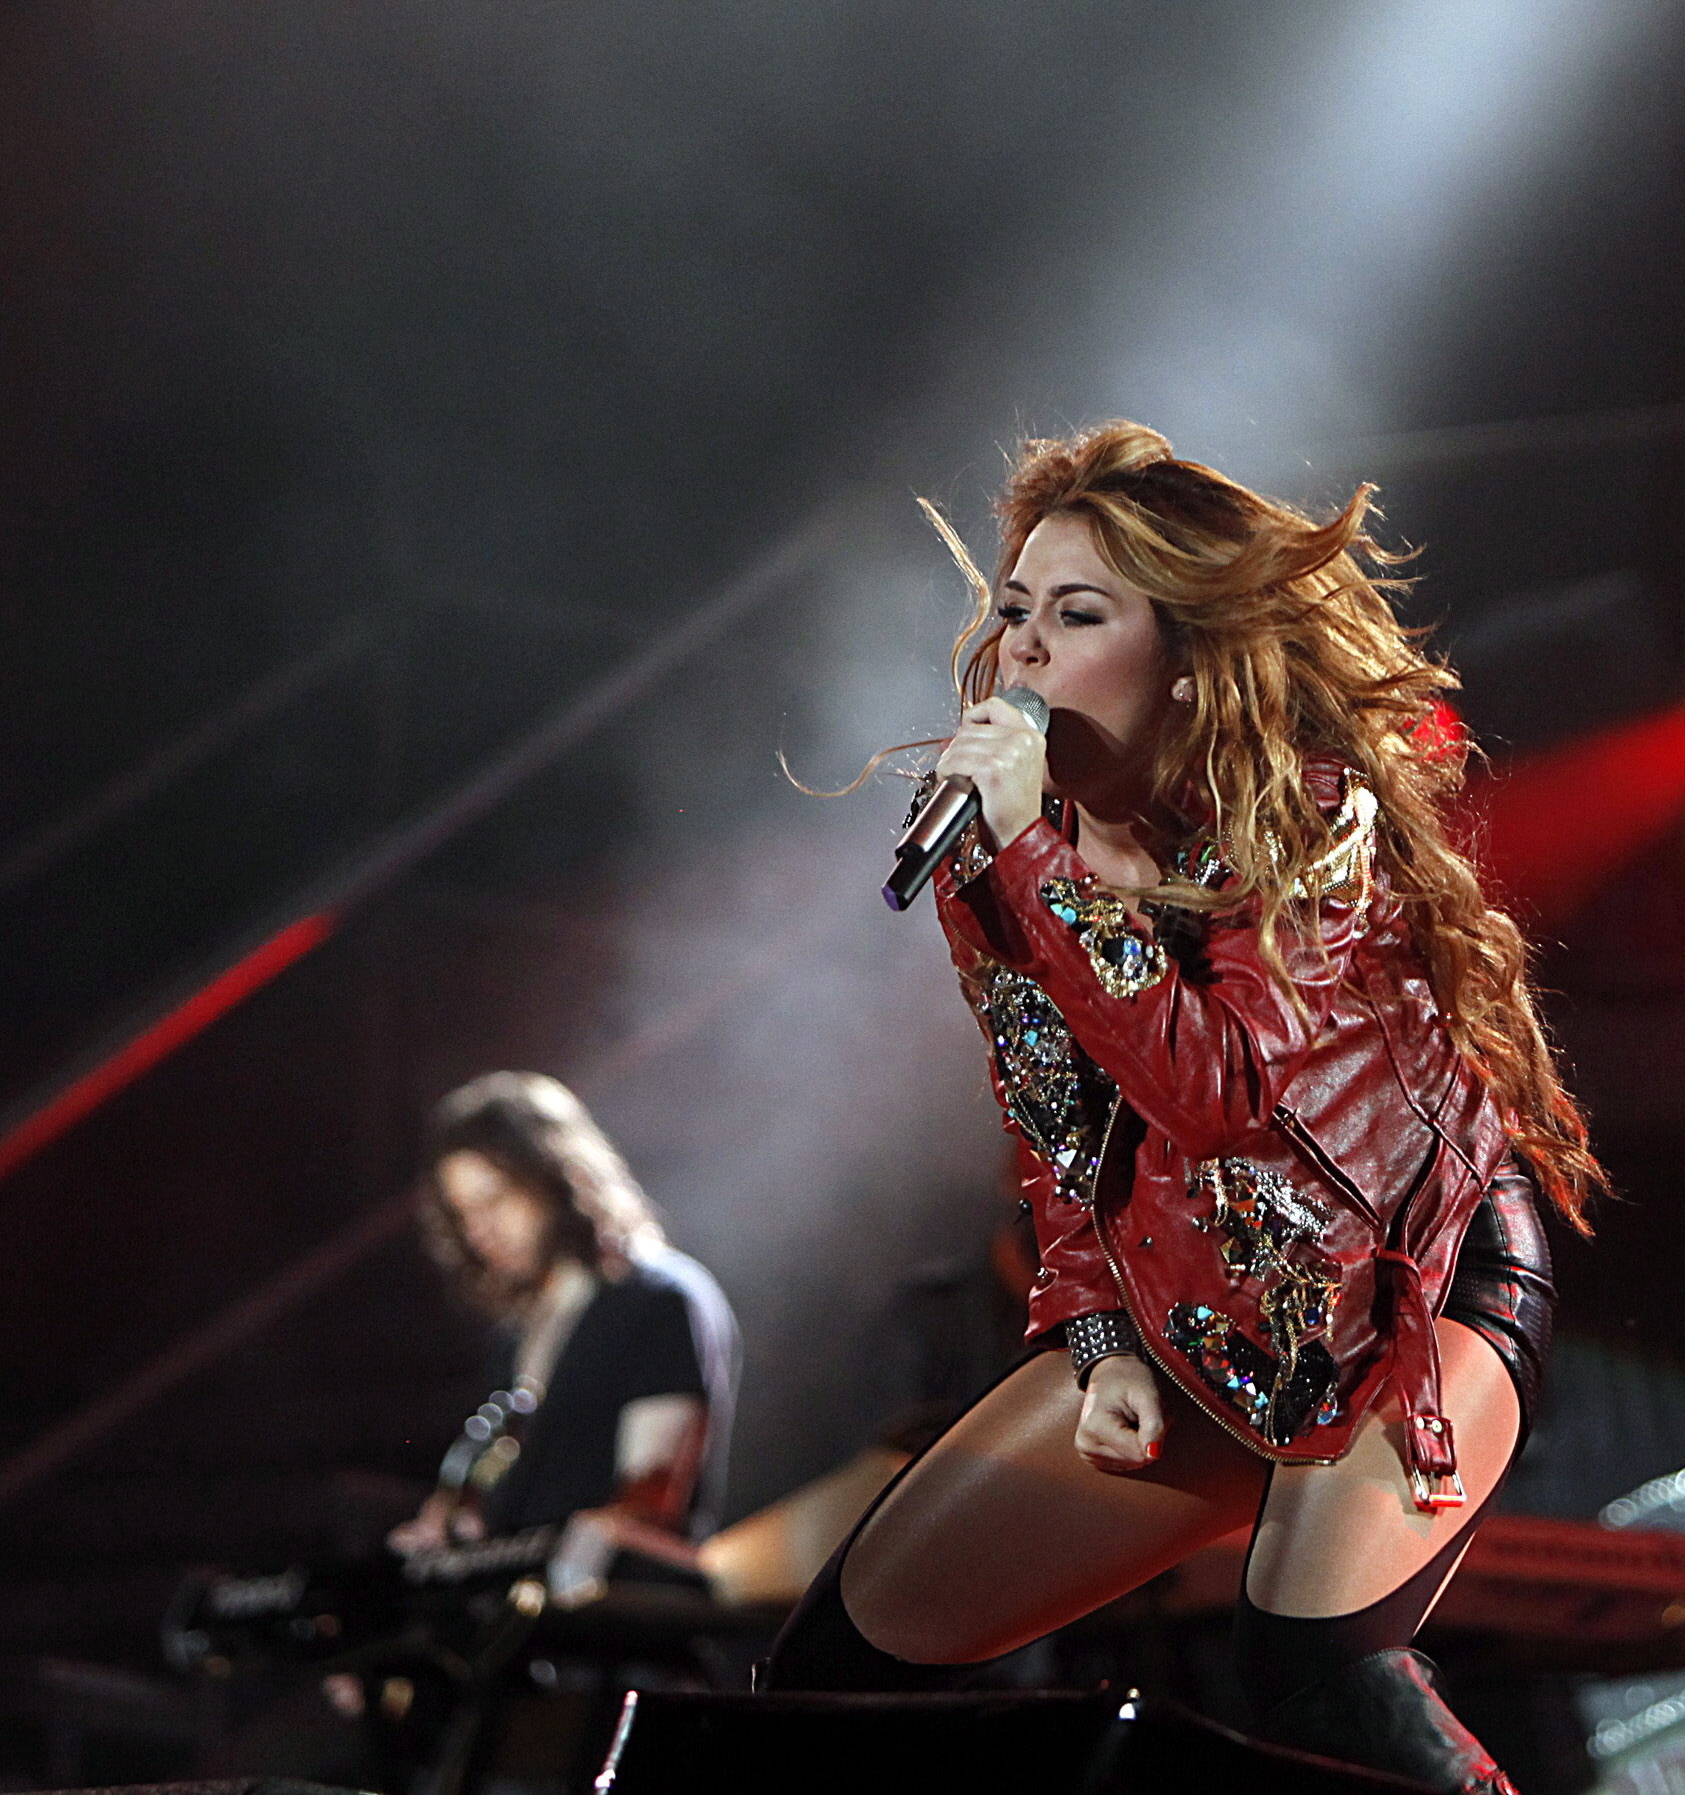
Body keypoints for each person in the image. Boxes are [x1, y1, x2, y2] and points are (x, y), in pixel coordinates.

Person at [765, 423, 1594, 1795]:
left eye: (1078, 614)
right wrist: (1097, 1345)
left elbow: (1218, 1092)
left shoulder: (1309, 816)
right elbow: (1058, 1128)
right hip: (1196, 1300)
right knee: (833, 1682)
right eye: (1015, 610)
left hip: (1408, 1288)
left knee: (1314, 1674)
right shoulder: (1000, 858)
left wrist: (1035, 860)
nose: (1024, 649)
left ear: (1188, 659)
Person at [395, 1069, 739, 1573]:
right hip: (528, 1607)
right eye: (464, 1214)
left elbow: (648, 1507)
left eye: (495, 1199)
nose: (479, 1231)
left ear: (557, 1174)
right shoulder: (517, 1335)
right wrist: (456, 1524)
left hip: (623, 1608)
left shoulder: (657, 1300)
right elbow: (506, 1493)